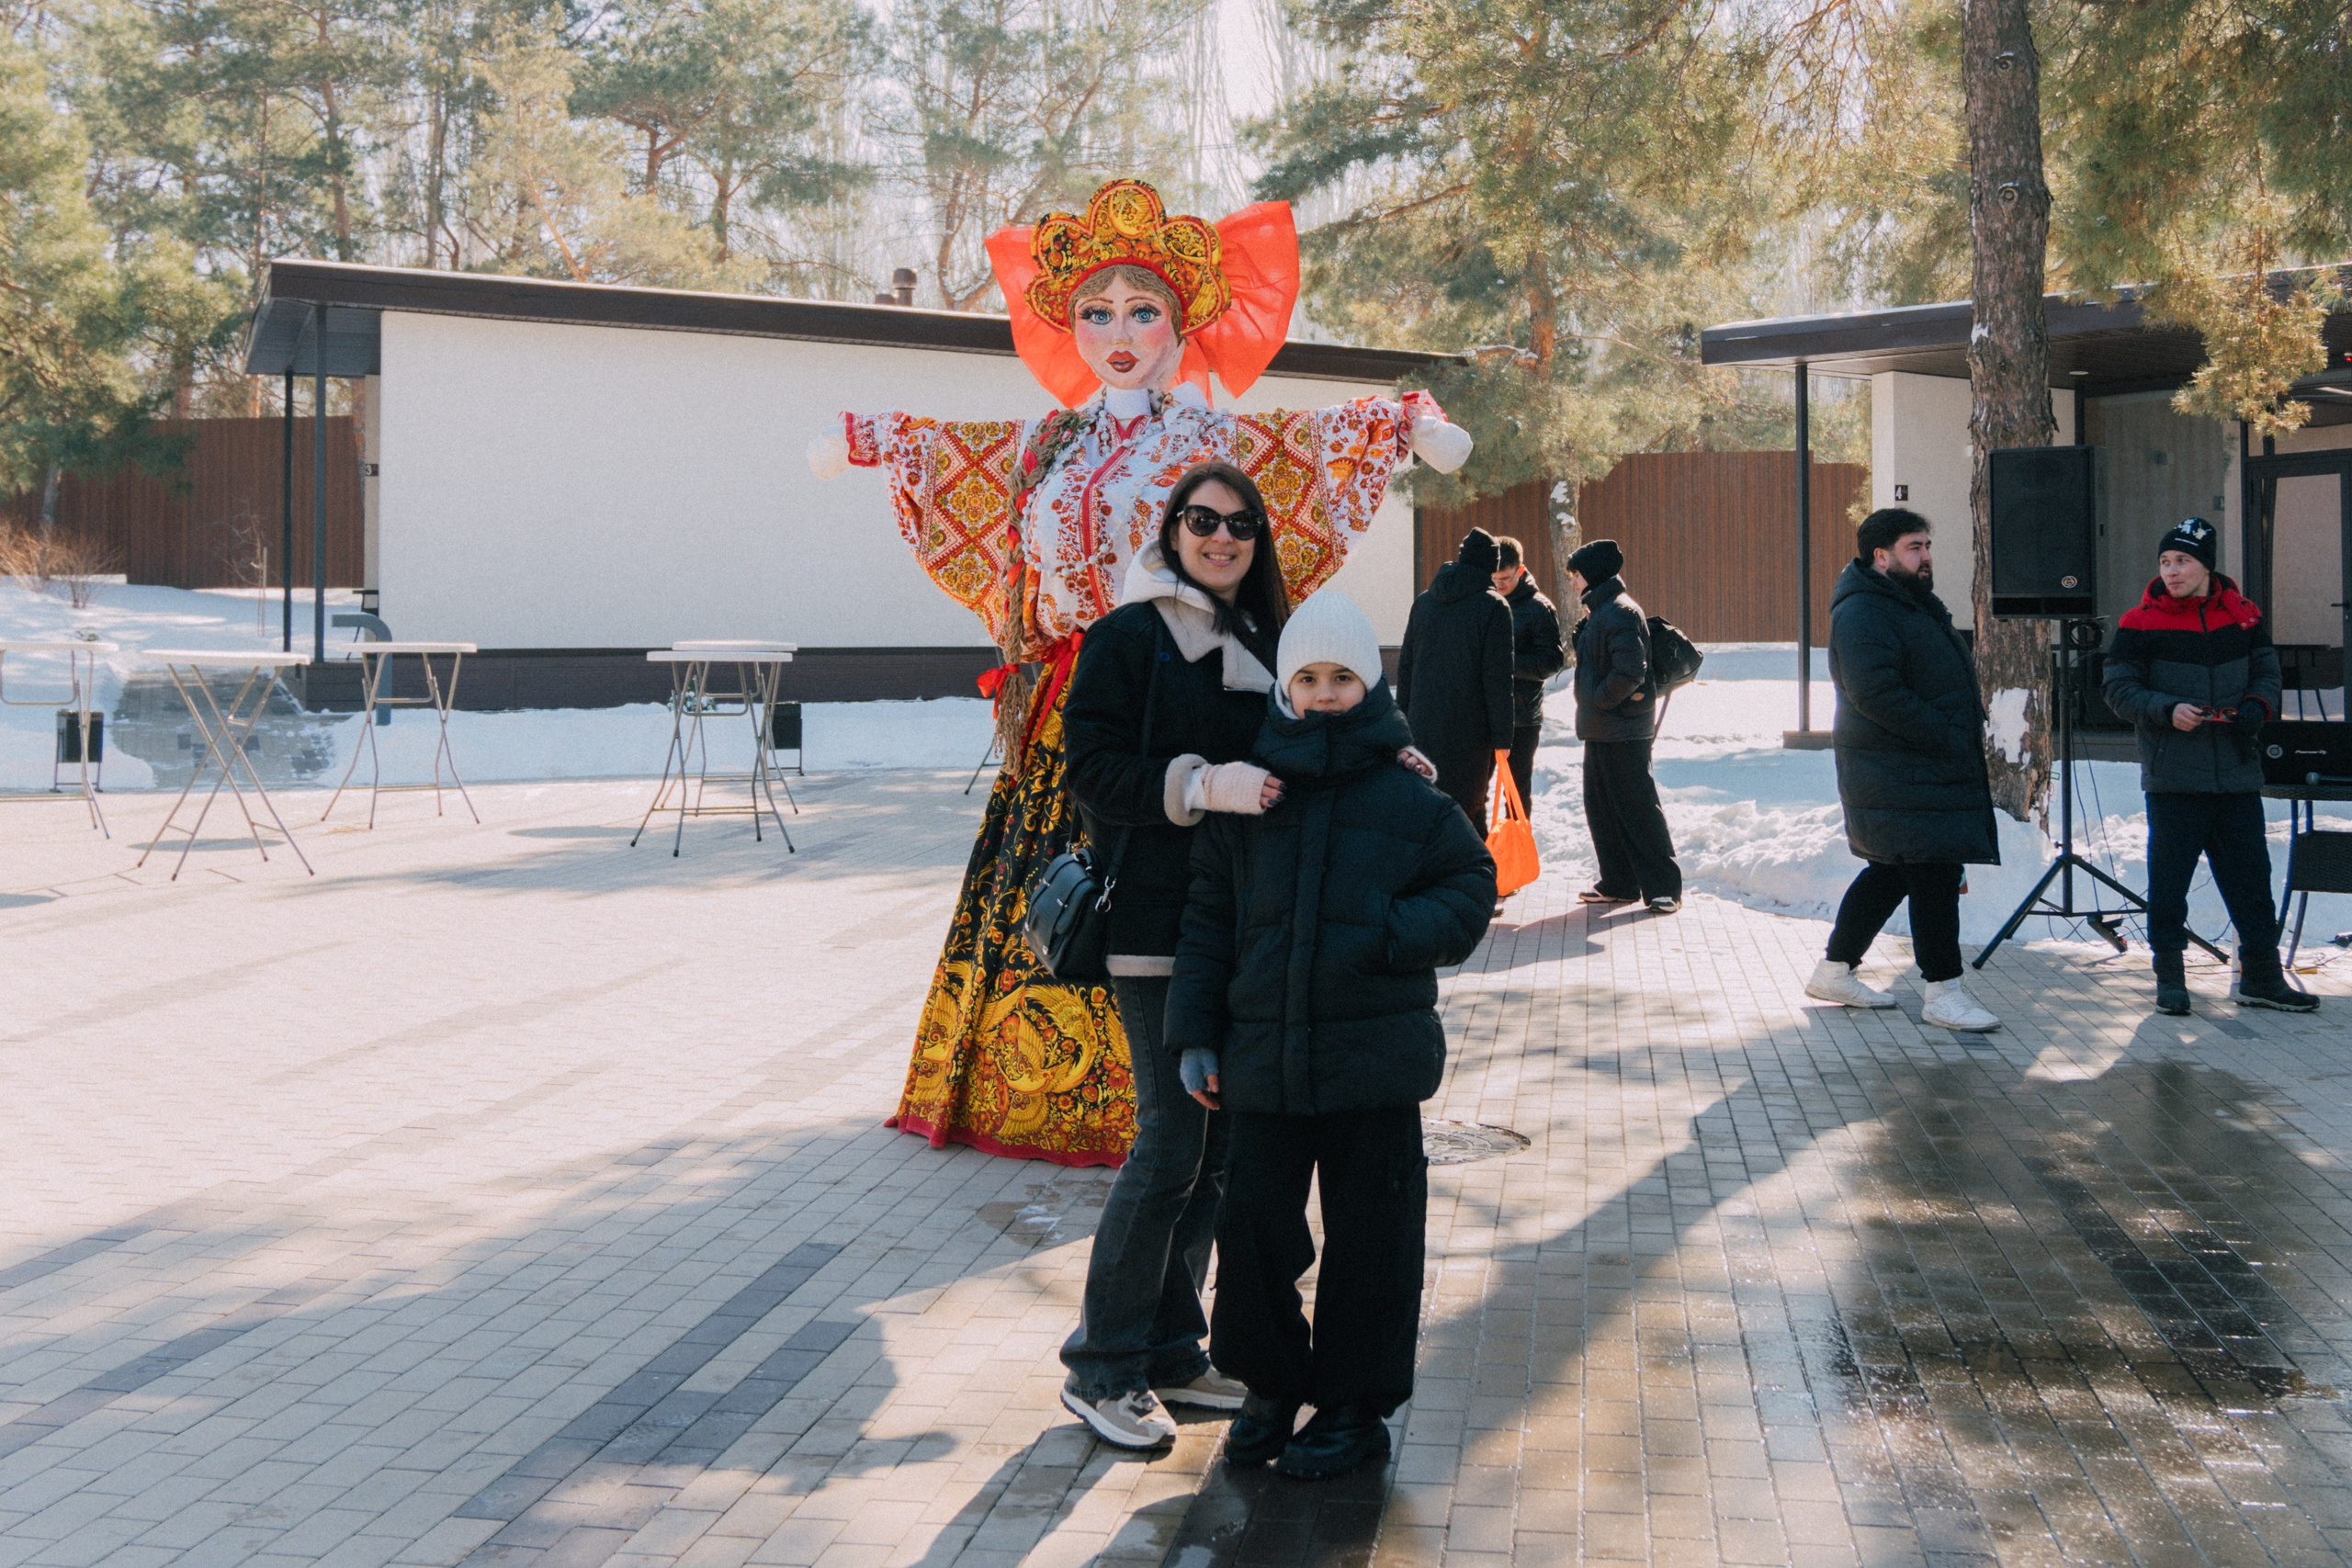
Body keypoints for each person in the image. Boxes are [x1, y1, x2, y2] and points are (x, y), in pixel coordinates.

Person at [808, 178, 1472, 1166]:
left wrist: (1400, 417)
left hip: (1187, 702)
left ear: (1180, 323)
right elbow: (962, 457)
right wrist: (871, 439)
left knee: (1173, 888)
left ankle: (1171, 1102)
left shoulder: (1205, 438)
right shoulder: (1048, 444)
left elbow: (1298, 448)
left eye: (1141, 310)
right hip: (1071, 709)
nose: (1118, 332)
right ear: (1066, 325)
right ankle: (1029, 1091)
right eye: (1095, 312)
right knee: (1061, 890)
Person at [1166, 589, 1496, 1481]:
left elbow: (1471, 887)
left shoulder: (1410, 798)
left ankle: (1353, 1409)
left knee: (1373, 1244)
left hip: (1374, 1069)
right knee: (1259, 1234)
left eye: (1339, 678)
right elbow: (1206, 920)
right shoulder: (1251, 799)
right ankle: (1269, 1390)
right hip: (1265, 1065)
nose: (1320, 693)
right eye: (1305, 677)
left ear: (1369, 684)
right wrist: (1195, 1032)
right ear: (1282, 688)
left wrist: (1390, 935)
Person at [1052, 464, 1287, 1448]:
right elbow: (1092, 771)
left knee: (1219, 1153)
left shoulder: (1265, 641)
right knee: (1169, 1149)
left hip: (1242, 930)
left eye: (1238, 524)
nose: (1220, 538)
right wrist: (1202, 785)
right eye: (1202, 520)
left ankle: (1166, 1348)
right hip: (1152, 928)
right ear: (1173, 529)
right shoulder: (1127, 637)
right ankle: (1099, 1365)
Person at [2103, 517, 2317, 1014]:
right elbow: (2118, 690)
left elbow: (2267, 673)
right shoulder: (2139, 621)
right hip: (2174, 776)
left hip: (2238, 774)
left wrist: (2256, 708)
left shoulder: (2242, 615)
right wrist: (2166, 709)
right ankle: (2170, 980)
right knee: (2169, 883)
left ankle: (2260, 978)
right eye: (2165, 562)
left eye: (2183, 561)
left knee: (2251, 880)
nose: (2172, 571)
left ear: (2206, 566)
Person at [1804, 508, 2002, 1032]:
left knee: (1892, 871)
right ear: (1881, 555)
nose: (1926, 556)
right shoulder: (1865, 610)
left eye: (1927, 545)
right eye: (1915, 547)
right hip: (1902, 768)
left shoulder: (1904, 602)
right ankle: (1943, 993)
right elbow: (1875, 692)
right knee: (1933, 872)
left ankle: (1834, 970)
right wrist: (1944, 732)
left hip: (1916, 768)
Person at [1566, 539, 1682, 914]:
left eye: (1577, 575)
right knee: (1603, 808)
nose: (1572, 582)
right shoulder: (1601, 612)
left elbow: (1631, 671)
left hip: (1622, 728)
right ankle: (1619, 882)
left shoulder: (1619, 612)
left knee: (1637, 808)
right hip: (1605, 728)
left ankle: (1664, 888)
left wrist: (1597, 700)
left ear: (1594, 575)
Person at [1398, 528, 1514, 829]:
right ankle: (1473, 874)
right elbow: (1497, 680)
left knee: (1425, 808)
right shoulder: (1494, 608)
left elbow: (1407, 667)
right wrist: (1503, 739)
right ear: (1491, 566)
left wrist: (1402, 727)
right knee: (1469, 811)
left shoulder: (1424, 602)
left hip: (1421, 727)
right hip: (1470, 733)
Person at [1494, 536, 1565, 813]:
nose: (1500, 585)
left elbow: (1552, 661)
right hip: (1486, 713)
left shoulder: (1539, 608)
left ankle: (1516, 853)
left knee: (1515, 796)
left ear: (1520, 571)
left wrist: (1505, 663)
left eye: (1506, 579)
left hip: (1521, 718)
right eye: (1495, 579)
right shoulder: (1485, 601)